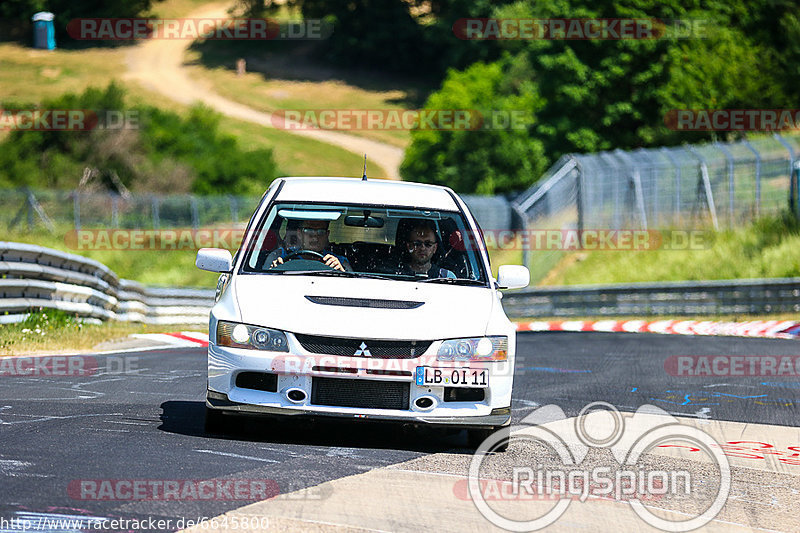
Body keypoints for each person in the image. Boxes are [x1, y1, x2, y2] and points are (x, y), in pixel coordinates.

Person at [268, 219, 351, 272]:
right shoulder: (280, 256)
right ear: (299, 234)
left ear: (327, 235)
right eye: (309, 230)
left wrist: (342, 272)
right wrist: (274, 271)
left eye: (320, 232)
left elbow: (353, 288)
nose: (315, 236)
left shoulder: (339, 261)